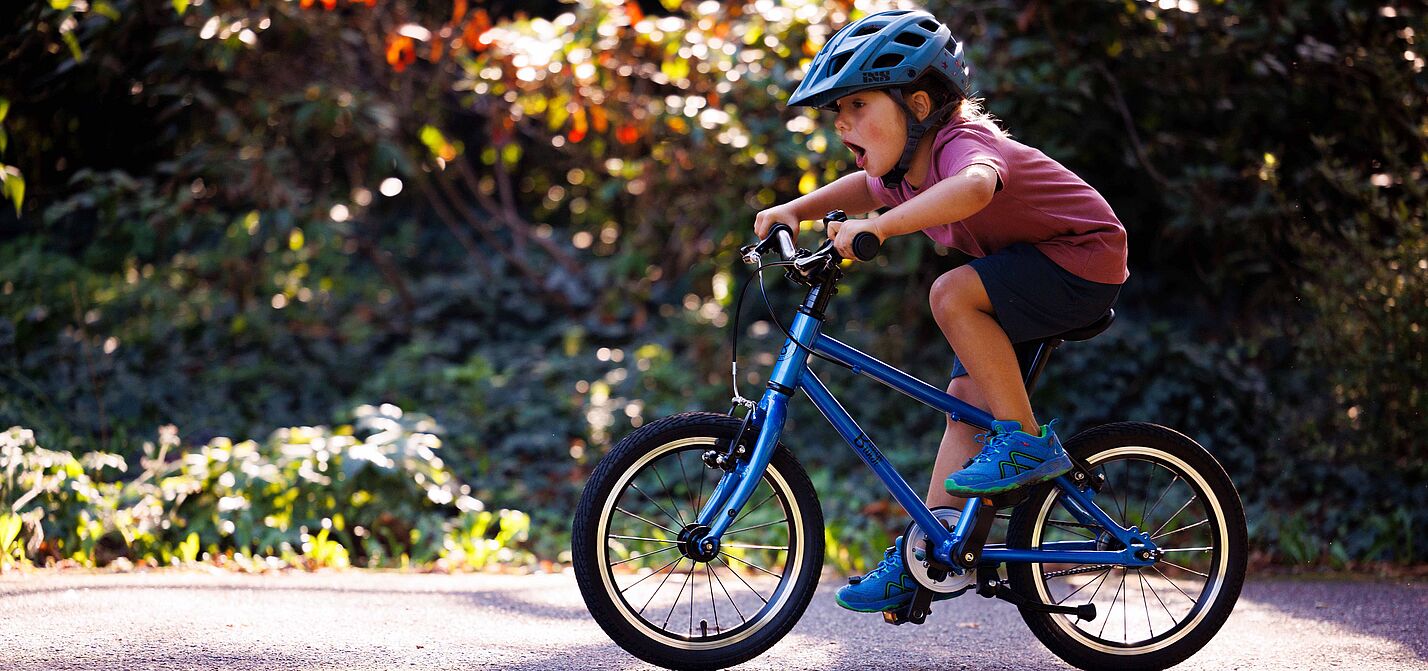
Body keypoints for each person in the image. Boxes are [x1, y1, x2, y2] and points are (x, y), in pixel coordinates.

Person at [752, 8, 1128, 613]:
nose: (843, 124)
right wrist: (793, 210)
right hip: (1023, 276)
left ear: (919, 106)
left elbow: (978, 186)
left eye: (857, 106)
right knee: (963, 416)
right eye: (837, 112)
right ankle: (927, 557)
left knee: (950, 293)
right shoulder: (906, 168)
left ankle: (1026, 442)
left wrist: (878, 229)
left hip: (1081, 259)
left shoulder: (961, 146)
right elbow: (864, 190)